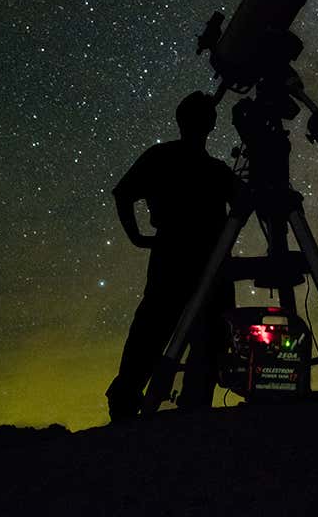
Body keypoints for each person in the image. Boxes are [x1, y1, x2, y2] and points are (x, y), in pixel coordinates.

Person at [105, 91, 241, 421]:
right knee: (187, 332)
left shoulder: (161, 157)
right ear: (210, 125)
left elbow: (123, 194)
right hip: (206, 260)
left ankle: (127, 404)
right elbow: (245, 201)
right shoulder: (215, 170)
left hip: (177, 256)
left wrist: (138, 237)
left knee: (153, 331)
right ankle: (190, 404)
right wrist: (137, 237)